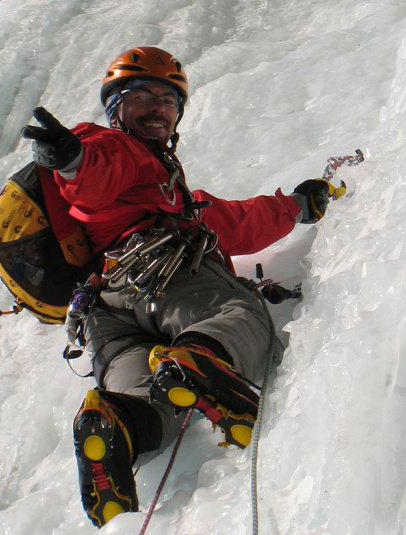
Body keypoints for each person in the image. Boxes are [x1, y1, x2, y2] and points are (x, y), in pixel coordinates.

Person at [21, 46, 336, 528]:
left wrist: (295, 206)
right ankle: (199, 362)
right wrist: (72, 159)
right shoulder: (119, 150)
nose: (157, 108)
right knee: (241, 320)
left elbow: (235, 221)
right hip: (161, 271)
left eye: (168, 100)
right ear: (115, 109)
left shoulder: (169, 195)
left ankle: (119, 430)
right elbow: (95, 170)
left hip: (105, 314)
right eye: (141, 95)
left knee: (147, 401)